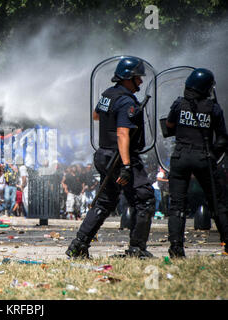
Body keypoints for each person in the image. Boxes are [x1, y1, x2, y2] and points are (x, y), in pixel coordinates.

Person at [66, 57, 156, 259]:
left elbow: (96, 115)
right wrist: (126, 165)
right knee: (145, 199)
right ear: (127, 78)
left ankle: (78, 245)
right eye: (137, 78)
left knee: (104, 202)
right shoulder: (125, 100)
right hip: (120, 157)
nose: (140, 82)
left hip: (103, 154)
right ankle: (137, 248)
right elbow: (123, 134)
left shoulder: (108, 94)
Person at [165, 68, 228, 257]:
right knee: (218, 204)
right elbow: (223, 139)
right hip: (204, 157)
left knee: (177, 205)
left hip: (180, 157)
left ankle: (176, 248)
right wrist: (211, 155)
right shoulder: (214, 108)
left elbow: (169, 126)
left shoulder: (178, 104)